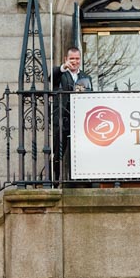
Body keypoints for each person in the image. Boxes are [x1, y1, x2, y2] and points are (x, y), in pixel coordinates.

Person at [53, 46, 92, 182]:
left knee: (81, 150)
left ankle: (83, 180)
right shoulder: (61, 73)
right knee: (58, 151)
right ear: (66, 59)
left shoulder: (86, 77)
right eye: (72, 59)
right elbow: (51, 77)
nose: (75, 61)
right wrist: (63, 67)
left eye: (77, 58)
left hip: (79, 119)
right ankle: (55, 181)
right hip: (61, 118)